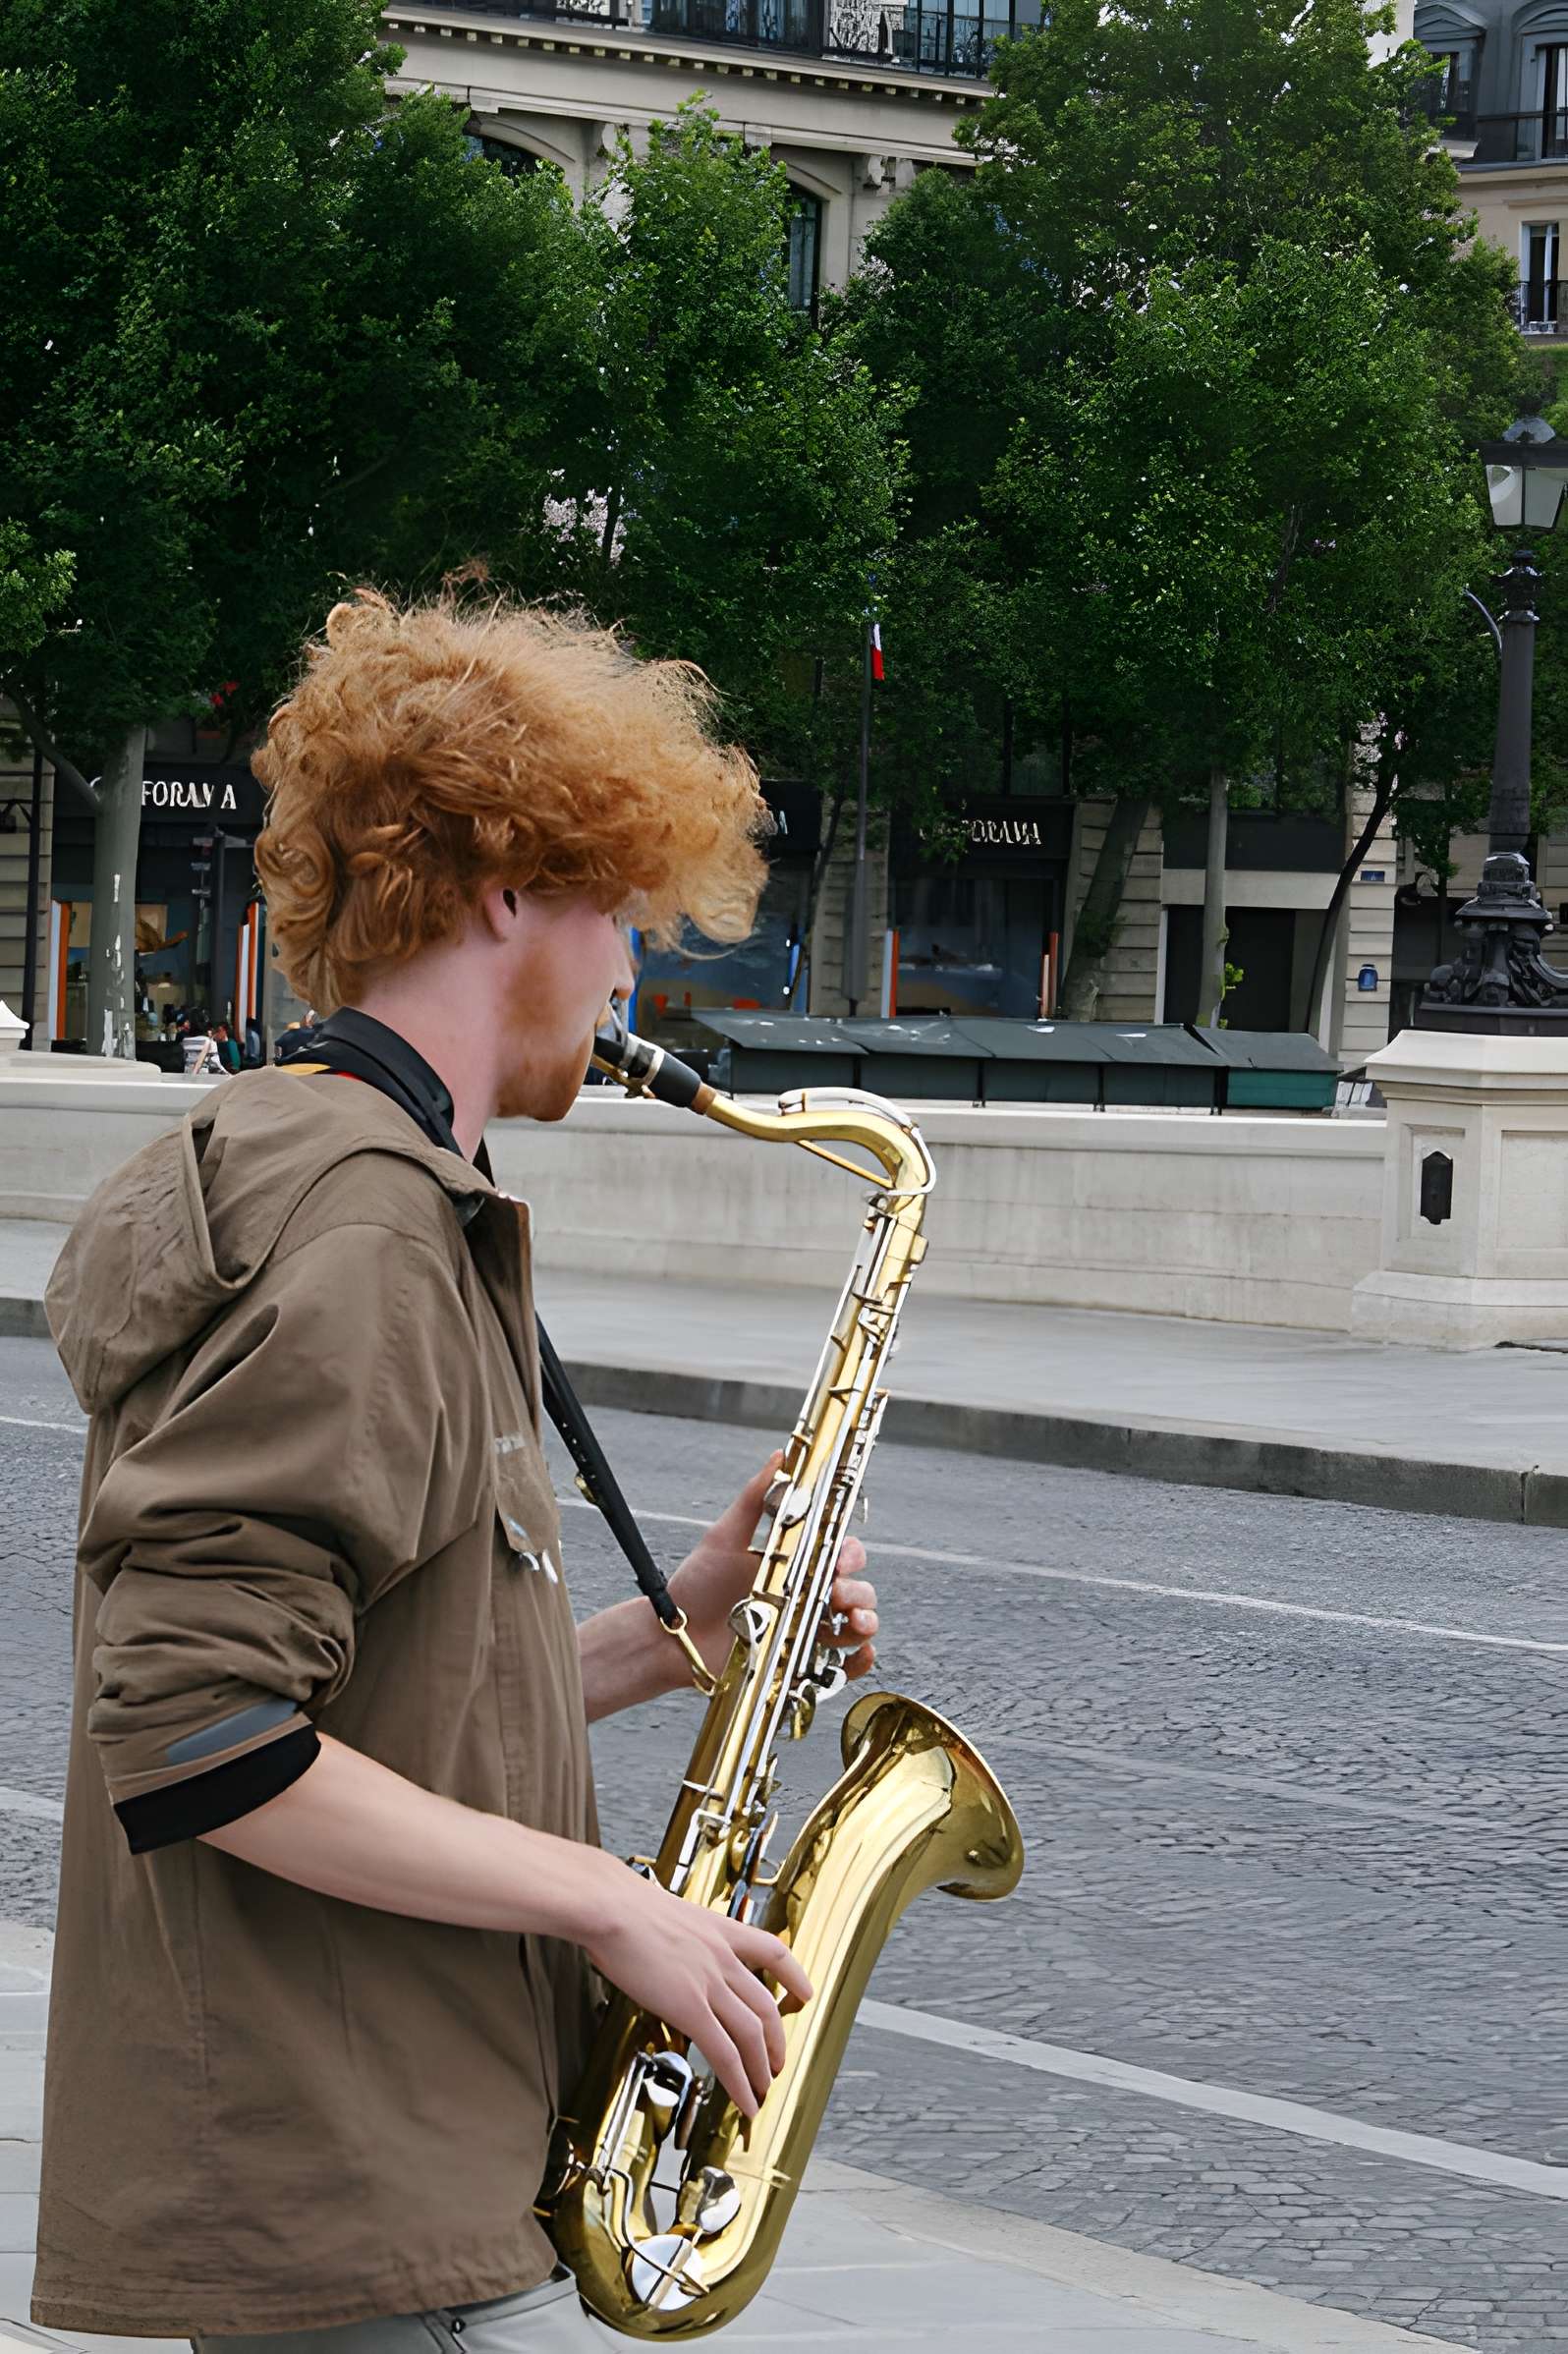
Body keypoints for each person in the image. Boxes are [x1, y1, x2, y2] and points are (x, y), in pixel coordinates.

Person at [34, 588, 879, 2353]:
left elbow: (365, 1707)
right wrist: (609, 1905)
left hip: (396, 2160)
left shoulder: (366, 1183)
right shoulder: (365, 1227)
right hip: (350, 2196)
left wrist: (680, 1635)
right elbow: (198, 1729)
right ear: (508, 894)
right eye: (621, 915)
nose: (635, 974)